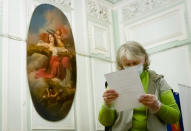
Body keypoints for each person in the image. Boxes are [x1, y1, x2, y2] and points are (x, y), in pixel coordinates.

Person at [98, 41, 180, 131]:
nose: (132, 67)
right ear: (122, 65)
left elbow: (175, 117)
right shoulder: (115, 83)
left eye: (135, 63)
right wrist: (107, 105)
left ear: (144, 60)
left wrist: (158, 106)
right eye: (128, 64)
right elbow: (105, 122)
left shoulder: (158, 81)